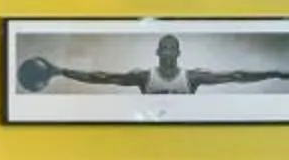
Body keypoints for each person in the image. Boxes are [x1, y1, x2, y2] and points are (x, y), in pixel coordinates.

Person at [21, 33, 289, 96]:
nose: (168, 53)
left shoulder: (193, 77)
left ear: (179, 53)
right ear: (157, 51)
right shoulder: (143, 77)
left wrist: (274, 73)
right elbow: (101, 77)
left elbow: (236, 76)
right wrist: (60, 71)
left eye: (172, 49)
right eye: (164, 48)